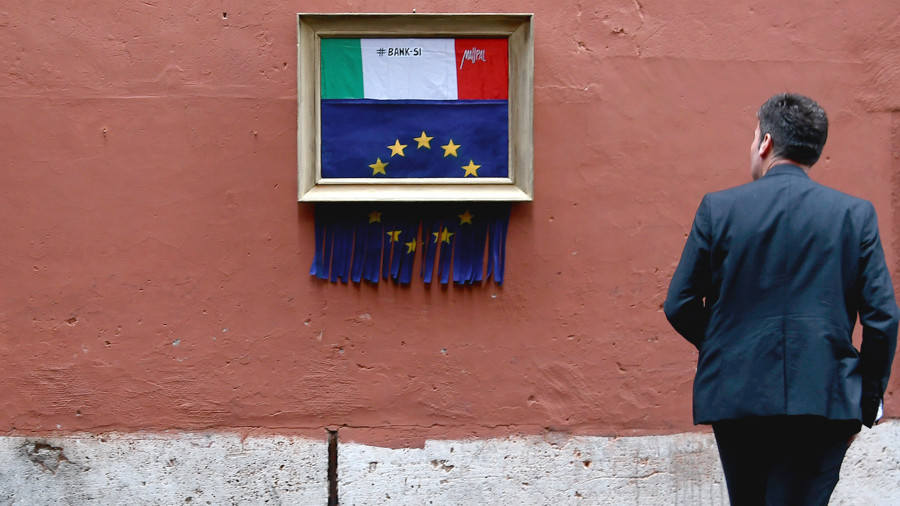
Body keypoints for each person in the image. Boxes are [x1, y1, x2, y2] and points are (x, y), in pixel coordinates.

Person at [664, 93, 898, 505]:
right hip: (825, 397)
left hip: (739, 395)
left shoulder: (719, 209)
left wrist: (729, 348)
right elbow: (883, 319)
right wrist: (864, 402)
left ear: (766, 143)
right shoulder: (854, 215)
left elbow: (680, 304)